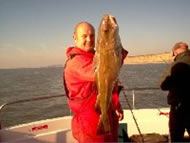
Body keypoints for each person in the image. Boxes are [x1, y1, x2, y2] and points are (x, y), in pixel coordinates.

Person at [63, 21, 128, 142]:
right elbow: (105, 72)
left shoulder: (97, 57)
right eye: (84, 36)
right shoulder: (76, 62)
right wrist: (111, 37)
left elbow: (108, 84)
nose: (89, 39)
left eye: (92, 36)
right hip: (91, 124)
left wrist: (116, 105)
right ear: (74, 37)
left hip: (108, 114)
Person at [160, 42, 190, 142]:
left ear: (175, 52)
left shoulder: (177, 64)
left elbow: (163, 84)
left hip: (180, 108)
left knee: (176, 137)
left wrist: (172, 64)